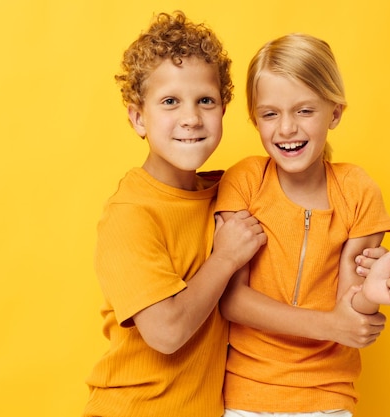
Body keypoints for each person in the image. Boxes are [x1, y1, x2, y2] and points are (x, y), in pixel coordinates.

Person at [216, 33, 390, 417]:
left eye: (305, 111)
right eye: (270, 114)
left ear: (335, 113)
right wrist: (332, 326)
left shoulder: (357, 190)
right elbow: (232, 300)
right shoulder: (244, 181)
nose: (286, 129)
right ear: (254, 118)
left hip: (327, 398)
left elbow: (351, 308)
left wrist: (375, 293)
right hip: (246, 397)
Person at [81, 11, 268, 417]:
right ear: (137, 117)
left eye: (206, 100)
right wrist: (226, 257)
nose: (191, 118)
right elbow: (166, 332)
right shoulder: (130, 214)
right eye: (170, 102)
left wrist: (366, 261)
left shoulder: (234, 193)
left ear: (223, 108)